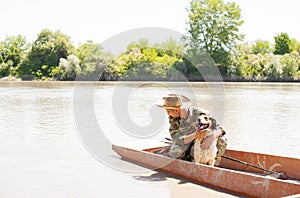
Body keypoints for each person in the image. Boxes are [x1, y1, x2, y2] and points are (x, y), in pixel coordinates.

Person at [157, 94, 227, 166]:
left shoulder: (201, 113)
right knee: (175, 151)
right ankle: (188, 163)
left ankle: (215, 164)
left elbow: (220, 129)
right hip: (189, 142)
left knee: (222, 139)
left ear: (177, 110)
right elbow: (176, 139)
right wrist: (194, 136)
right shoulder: (173, 119)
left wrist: (211, 137)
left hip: (205, 142)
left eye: (168, 111)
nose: (168, 114)